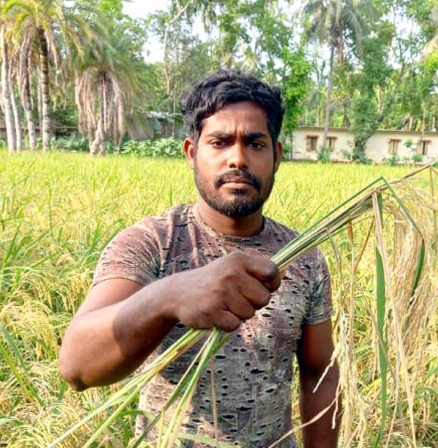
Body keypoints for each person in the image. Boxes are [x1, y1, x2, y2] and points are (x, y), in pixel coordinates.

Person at [59, 69, 339, 447]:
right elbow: (76, 367)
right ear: (192, 153)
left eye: (255, 144)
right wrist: (169, 297)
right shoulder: (152, 243)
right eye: (220, 142)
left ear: (277, 156)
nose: (237, 159)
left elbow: (318, 374)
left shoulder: (304, 258)